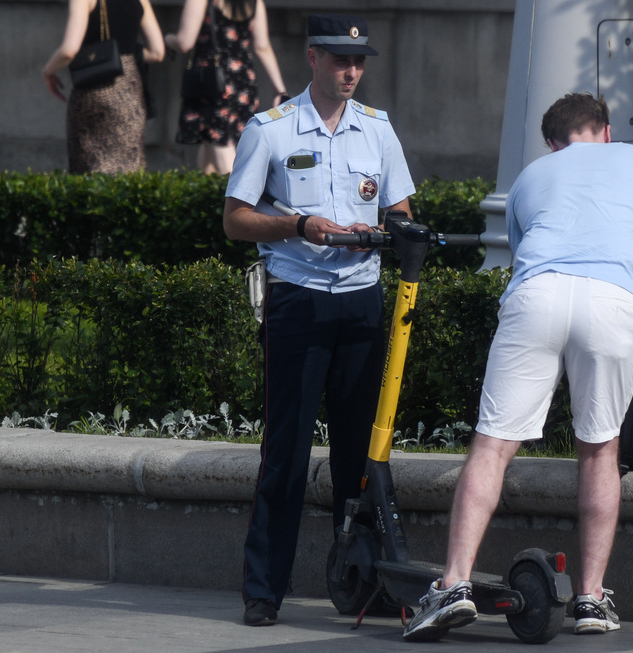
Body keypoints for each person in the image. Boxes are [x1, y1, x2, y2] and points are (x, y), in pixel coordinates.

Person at [402, 92, 633, 641]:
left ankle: (453, 584)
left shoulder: (530, 177)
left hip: (536, 296)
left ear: (552, 142)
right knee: (599, 450)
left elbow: (525, 259)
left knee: (492, 446)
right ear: (607, 132)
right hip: (612, 302)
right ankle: (590, 599)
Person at [222, 14, 416, 627]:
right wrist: (299, 226)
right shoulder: (271, 130)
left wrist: (379, 235)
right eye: (338, 60)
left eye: (358, 61)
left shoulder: (379, 131)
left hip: (360, 299)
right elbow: (235, 218)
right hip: (298, 299)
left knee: (359, 452)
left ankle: (362, 582)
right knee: (286, 449)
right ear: (312, 59)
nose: (351, 71)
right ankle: (264, 589)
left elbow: (401, 211)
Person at [165, 0, 288, 175]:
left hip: (211, 83)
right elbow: (262, 47)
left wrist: (167, 40)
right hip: (243, 82)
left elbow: (184, 42)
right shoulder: (254, 2)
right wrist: (280, 90)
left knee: (223, 151)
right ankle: (206, 199)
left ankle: (242, 200)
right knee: (210, 150)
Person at [42, 0, 165, 173]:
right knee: (129, 170)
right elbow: (157, 52)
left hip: (94, 87)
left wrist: (48, 72)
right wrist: (124, 54)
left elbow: (69, 50)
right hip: (130, 89)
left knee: (89, 168)